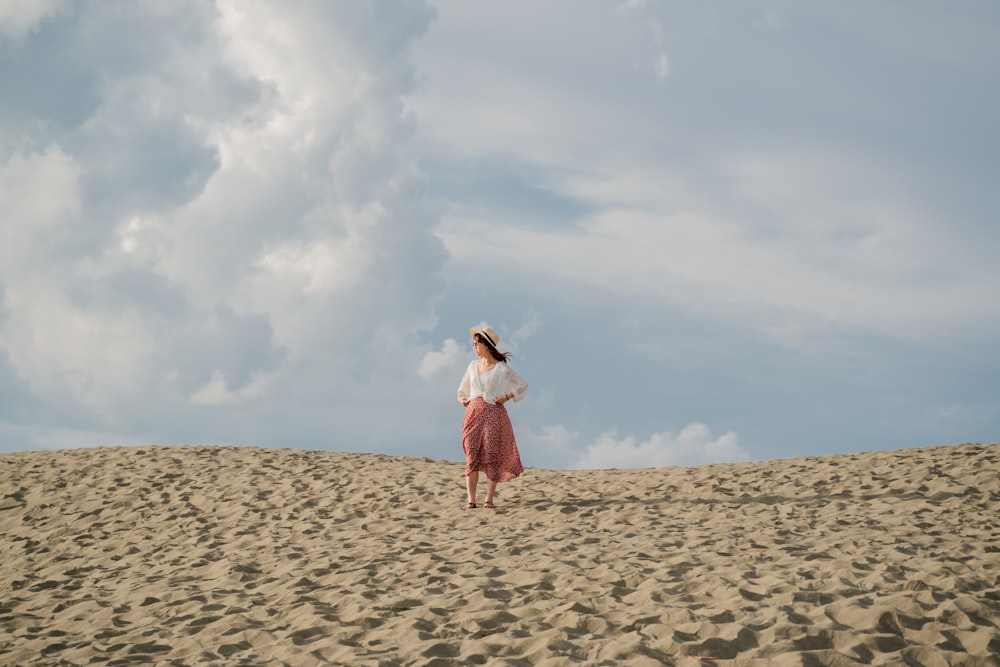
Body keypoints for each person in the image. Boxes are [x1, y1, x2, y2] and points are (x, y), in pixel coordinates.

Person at [456, 325, 527, 509]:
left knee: (491, 455)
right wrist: (463, 398)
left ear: (486, 345)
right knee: (472, 454)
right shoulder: (472, 366)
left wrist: (507, 396)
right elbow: (461, 389)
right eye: (473, 342)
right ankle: (471, 500)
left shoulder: (501, 369)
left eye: (477, 342)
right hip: (473, 413)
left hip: (494, 413)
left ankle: (489, 500)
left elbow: (522, 384)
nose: (474, 345)